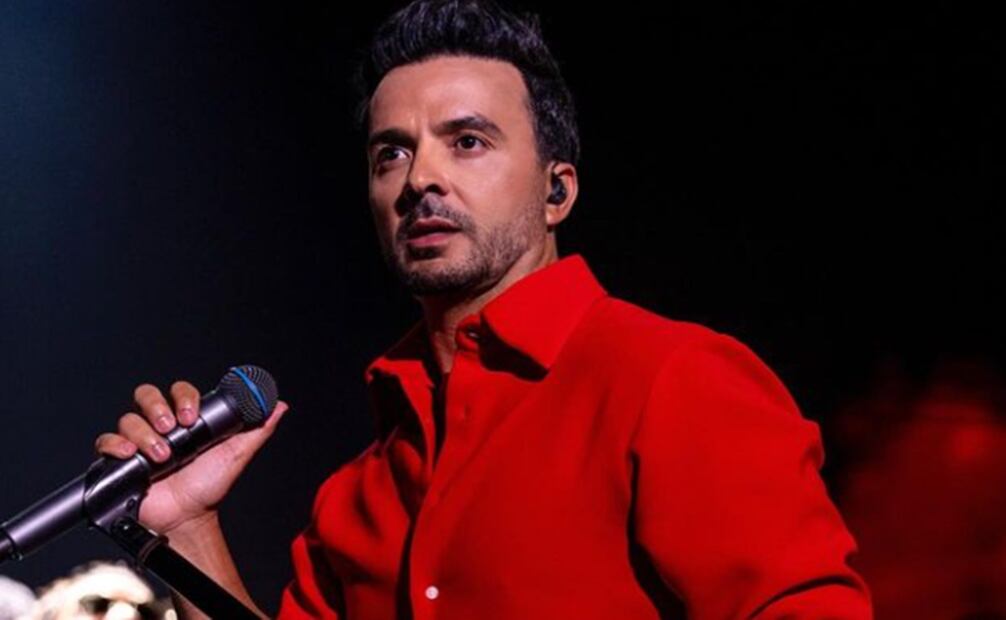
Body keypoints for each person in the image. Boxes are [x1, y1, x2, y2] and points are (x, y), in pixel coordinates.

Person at [95, 1, 872, 617]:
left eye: (467, 141)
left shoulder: (670, 380)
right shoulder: (358, 493)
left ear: (556, 190)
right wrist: (188, 528)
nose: (419, 179)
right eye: (391, 153)